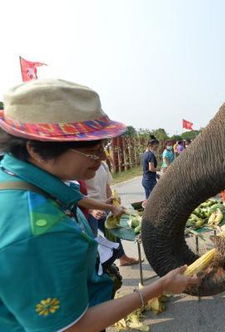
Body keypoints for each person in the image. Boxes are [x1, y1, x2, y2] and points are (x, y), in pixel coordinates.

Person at [0, 79, 199, 331]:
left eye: (103, 146)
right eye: (93, 150)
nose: (104, 158)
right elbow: (74, 327)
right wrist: (159, 287)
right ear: (37, 150)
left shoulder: (16, 174)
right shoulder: (40, 234)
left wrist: (107, 207)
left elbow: (68, 197)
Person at [85, 161, 139, 266]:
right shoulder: (80, 166)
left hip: (104, 206)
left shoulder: (103, 165)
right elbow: (77, 196)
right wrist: (92, 210)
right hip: (89, 210)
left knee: (113, 233)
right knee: (93, 241)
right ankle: (94, 270)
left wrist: (114, 205)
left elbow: (107, 187)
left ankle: (122, 257)